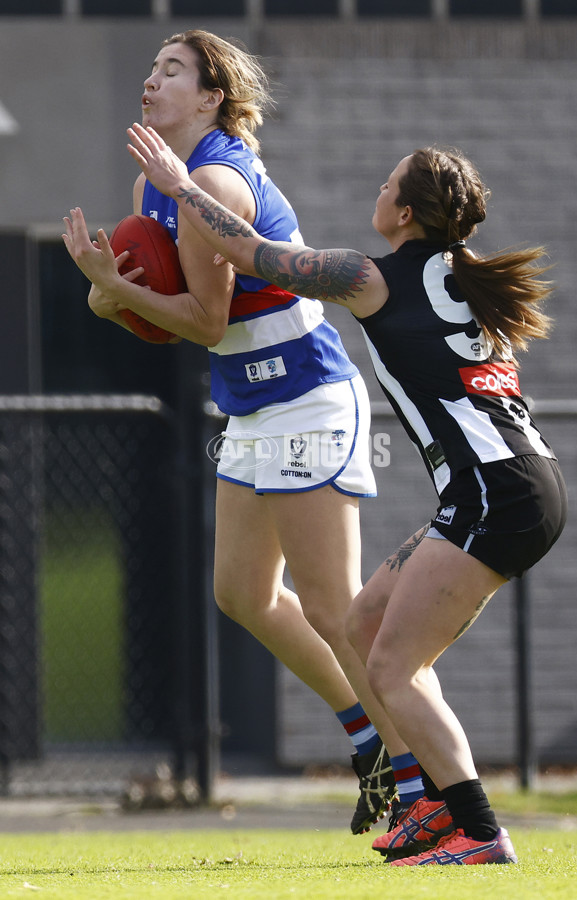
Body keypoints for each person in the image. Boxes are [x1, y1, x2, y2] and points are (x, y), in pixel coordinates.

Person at [122, 126, 567, 866]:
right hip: (507, 487)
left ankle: (480, 830)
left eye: (389, 184)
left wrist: (181, 186)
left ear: (405, 214)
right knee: (362, 624)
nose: (379, 191)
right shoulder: (465, 274)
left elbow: (256, 256)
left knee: (394, 667)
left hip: (498, 492)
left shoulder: (372, 277)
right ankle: (434, 811)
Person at [61, 29, 424, 836]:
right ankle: (369, 745)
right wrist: (106, 294)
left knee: (334, 608)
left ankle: (419, 785)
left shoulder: (214, 179)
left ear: (210, 98)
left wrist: (117, 297)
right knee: (243, 592)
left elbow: (202, 318)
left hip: (308, 395)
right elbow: (169, 316)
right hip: (253, 402)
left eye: (171, 71)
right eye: (151, 68)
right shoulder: (155, 183)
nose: (151, 81)